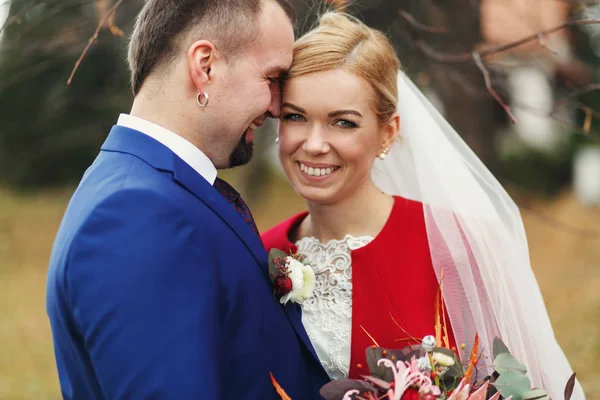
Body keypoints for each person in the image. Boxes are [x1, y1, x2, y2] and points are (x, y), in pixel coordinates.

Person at [261, 11, 585, 399]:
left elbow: (520, 385)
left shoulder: (456, 246)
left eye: (343, 122)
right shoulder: (261, 254)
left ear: (388, 132)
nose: (313, 143)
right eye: (296, 117)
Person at [45, 1, 329, 399]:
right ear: (205, 66)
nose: (278, 107)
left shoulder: (160, 189)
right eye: (272, 77)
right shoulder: (134, 216)